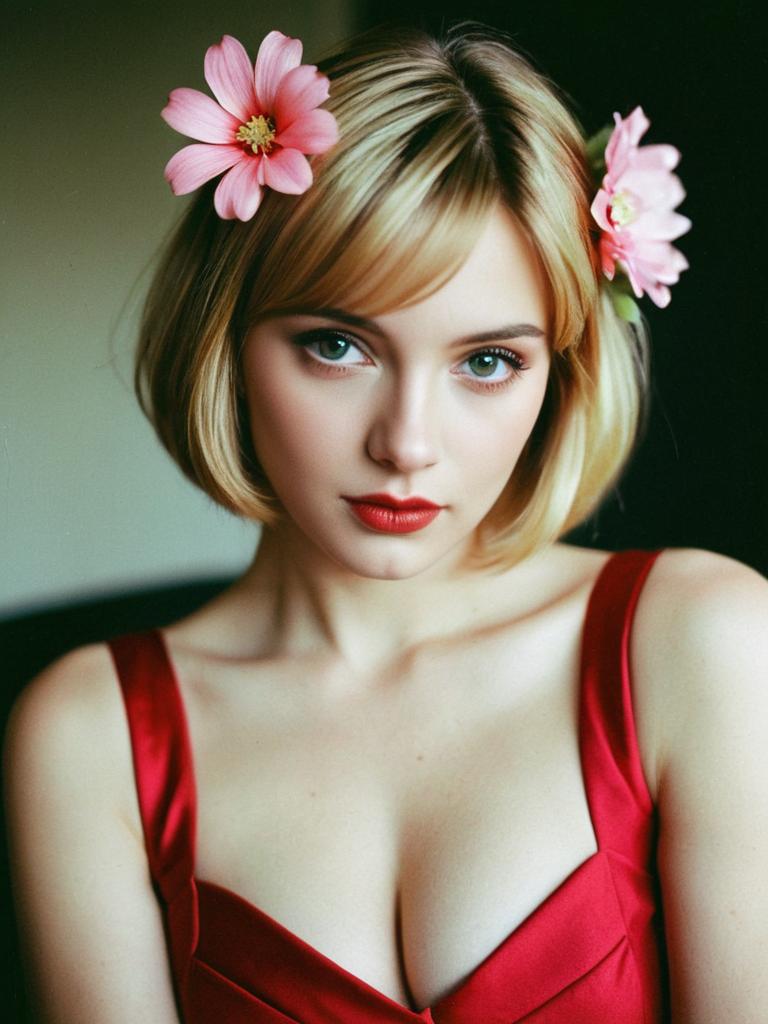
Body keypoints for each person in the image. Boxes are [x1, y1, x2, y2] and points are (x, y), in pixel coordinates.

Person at [4, 19, 767, 1024]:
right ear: (224, 336)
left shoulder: (701, 642)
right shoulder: (91, 736)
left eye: (487, 361)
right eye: (336, 346)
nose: (407, 442)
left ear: (563, 374)